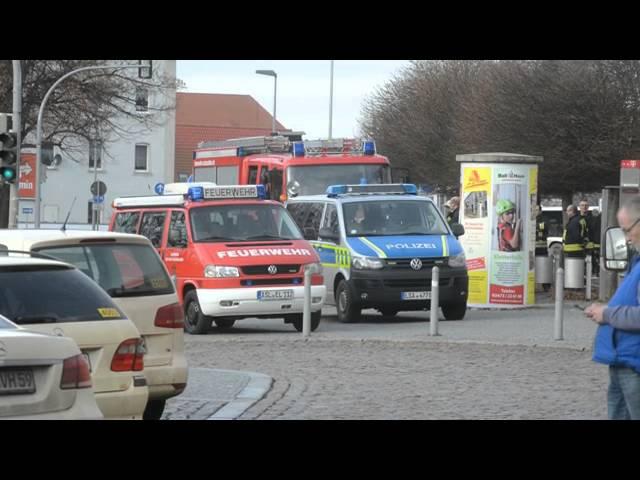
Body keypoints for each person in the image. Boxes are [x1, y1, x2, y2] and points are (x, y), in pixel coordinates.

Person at [584, 195, 640, 420]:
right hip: (623, 360)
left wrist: (606, 313)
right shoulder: (636, 260)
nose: (626, 238)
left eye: (627, 230)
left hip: (634, 364)